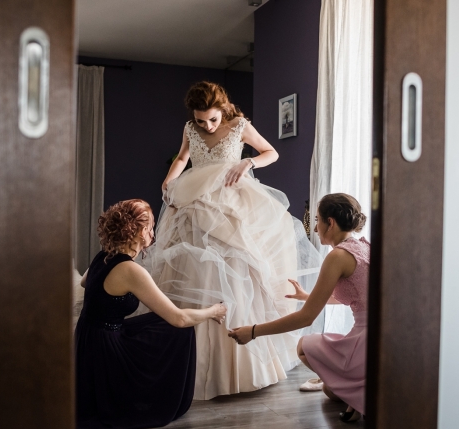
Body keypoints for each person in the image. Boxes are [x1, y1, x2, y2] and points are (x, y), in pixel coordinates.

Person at [132, 81, 321, 400]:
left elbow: (270, 152)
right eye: (201, 120)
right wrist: (169, 181)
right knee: (193, 272)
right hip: (194, 202)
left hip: (234, 200)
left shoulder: (239, 125)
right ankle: (192, 366)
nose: (206, 125)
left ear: (223, 109)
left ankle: (240, 368)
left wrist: (248, 162)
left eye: (212, 120)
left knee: (239, 274)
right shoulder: (190, 127)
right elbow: (181, 159)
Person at [74, 199, 227, 429]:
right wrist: (213, 311)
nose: (153, 233)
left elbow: (86, 283)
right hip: (105, 350)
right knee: (180, 329)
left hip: (87, 340)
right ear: (139, 231)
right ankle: (160, 398)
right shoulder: (130, 270)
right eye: (151, 227)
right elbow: (180, 318)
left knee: (159, 321)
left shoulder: (103, 255)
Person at [228, 193, 369, 422]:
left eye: (317, 220)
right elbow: (359, 296)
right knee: (330, 392)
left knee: (304, 346)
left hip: (365, 343)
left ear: (330, 223)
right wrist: (308, 296)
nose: (315, 228)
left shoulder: (338, 257)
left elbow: (305, 319)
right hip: (383, 341)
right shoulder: (364, 247)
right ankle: (355, 387)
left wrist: (253, 331)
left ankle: (355, 388)